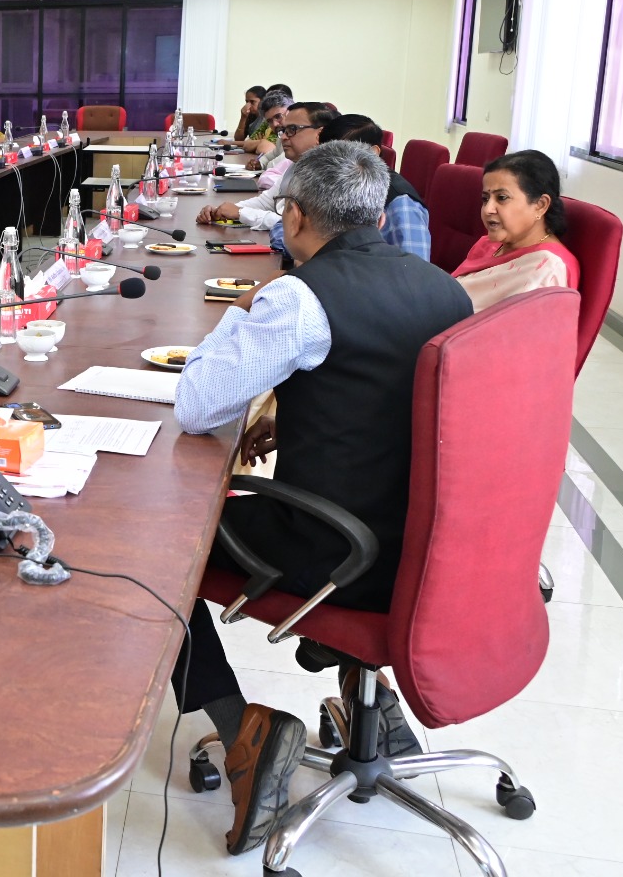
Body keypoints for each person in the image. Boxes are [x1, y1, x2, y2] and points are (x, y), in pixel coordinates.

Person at [172, 142, 473, 856]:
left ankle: (244, 729)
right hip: (429, 548)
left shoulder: (298, 299)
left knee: (154, 547)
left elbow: (197, 405)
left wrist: (242, 314)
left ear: (298, 217)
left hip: (337, 553)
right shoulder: (444, 287)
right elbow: (392, 396)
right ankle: (379, 712)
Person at [452, 150, 579, 310]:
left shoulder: (547, 268)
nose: (488, 209)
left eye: (502, 198)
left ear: (540, 205)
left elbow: (513, 331)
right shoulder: (488, 244)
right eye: (485, 199)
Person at [197, 103, 337, 228]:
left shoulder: (330, 176)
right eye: (284, 130)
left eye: (292, 129)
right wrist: (221, 211)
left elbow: (296, 226)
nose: (283, 137)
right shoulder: (296, 166)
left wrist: (241, 213)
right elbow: (266, 202)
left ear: (320, 134)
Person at [318, 114, 430, 261]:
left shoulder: (400, 203)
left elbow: (415, 271)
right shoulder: (337, 185)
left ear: (373, 153)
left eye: (341, 154)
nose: (331, 163)